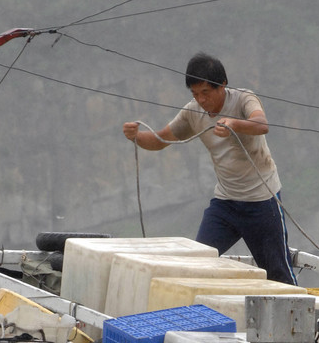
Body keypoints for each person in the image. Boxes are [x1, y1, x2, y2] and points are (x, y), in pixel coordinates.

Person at [123, 52, 297, 286]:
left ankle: (297, 319)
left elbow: (261, 124)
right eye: (195, 94)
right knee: (199, 261)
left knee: (277, 273)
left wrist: (234, 123)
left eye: (206, 93)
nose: (201, 100)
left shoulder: (244, 99)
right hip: (226, 203)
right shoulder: (192, 112)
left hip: (262, 202)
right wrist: (136, 137)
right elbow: (160, 140)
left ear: (222, 85)